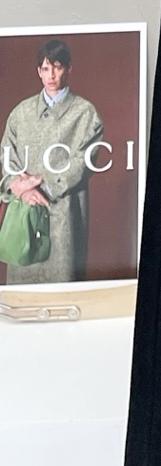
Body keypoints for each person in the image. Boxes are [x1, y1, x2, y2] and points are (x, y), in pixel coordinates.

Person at [1, 40, 104, 283]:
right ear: (39, 71)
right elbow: (6, 157)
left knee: (62, 288)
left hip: (64, 216)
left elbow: (83, 162)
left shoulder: (85, 113)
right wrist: (21, 188)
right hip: (23, 215)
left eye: (57, 67)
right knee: (22, 294)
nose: (51, 75)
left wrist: (45, 187)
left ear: (69, 69)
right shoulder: (21, 113)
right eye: (46, 69)